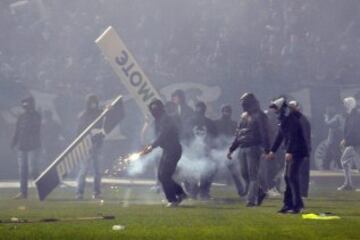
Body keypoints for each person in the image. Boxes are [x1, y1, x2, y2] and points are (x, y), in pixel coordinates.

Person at [267, 97, 309, 214]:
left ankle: (297, 205)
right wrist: (272, 151)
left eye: (275, 108)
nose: (274, 111)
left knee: (291, 177)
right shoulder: (285, 119)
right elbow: (279, 137)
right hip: (292, 151)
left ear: (281, 108)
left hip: (297, 151)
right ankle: (288, 204)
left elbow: (292, 136)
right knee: (288, 177)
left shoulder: (291, 120)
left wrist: (289, 151)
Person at [227, 93, 270, 207]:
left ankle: (251, 200)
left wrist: (267, 149)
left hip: (254, 147)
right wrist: (232, 149)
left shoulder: (260, 116)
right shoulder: (243, 117)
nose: (242, 104)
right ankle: (260, 191)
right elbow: (239, 135)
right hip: (243, 147)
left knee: (252, 175)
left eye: (244, 102)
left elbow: (265, 133)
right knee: (244, 174)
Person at [142, 99, 187, 207]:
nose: (154, 111)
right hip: (168, 150)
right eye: (152, 109)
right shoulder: (158, 120)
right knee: (162, 176)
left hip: (173, 149)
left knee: (164, 175)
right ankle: (180, 193)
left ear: (161, 108)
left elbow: (163, 135)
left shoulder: (166, 119)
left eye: (156, 108)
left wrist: (152, 146)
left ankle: (173, 200)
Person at [185, 101, 218, 199]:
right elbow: (215, 137)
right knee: (207, 170)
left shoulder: (189, 121)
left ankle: (193, 191)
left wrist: (187, 147)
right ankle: (203, 192)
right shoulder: (209, 122)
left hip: (195, 150)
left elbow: (184, 135)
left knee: (191, 170)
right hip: (203, 150)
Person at [11, 96, 42, 199]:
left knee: (33, 170)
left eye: (27, 103)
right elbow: (17, 130)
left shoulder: (36, 115)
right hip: (21, 147)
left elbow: (35, 128)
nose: (25, 105)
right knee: (22, 170)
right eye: (24, 103)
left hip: (33, 146)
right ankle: (23, 193)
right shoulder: (21, 116)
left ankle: (40, 190)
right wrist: (14, 142)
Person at [76, 94, 104, 200]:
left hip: (97, 146)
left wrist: (98, 141)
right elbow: (79, 132)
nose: (93, 104)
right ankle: (79, 193)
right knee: (83, 170)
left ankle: (96, 192)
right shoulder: (83, 116)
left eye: (95, 102)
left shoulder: (100, 114)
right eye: (91, 102)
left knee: (97, 171)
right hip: (86, 146)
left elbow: (102, 129)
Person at [214, 104, 246, 196]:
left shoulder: (233, 124)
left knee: (234, 172)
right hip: (219, 150)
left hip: (229, 150)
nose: (226, 113)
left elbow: (236, 136)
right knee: (212, 171)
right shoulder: (217, 123)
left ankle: (241, 190)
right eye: (225, 111)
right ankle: (204, 191)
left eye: (228, 111)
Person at [288, 100, 312, 198]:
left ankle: (301, 193)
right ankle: (300, 193)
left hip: (300, 149)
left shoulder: (301, 120)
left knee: (301, 172)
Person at [337, 97, 360, 191]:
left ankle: (348, 184)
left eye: (345, 104)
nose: (344, 105)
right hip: (353, 142)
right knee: (345, 161)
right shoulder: (351, 114)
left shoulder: (356, 114)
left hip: (356, 142)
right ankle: (348, 184)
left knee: (349, 162)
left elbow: (354, 129)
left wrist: (346, 139)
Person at [323, 105, 344, 169]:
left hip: (334, 139)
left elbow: (329, 124)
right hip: (334, 139)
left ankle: (341, 167)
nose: (327, 110)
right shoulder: (340, 117)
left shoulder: (337, 117)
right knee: (329, 154)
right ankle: (325, 167)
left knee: (336, 154)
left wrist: (326, 118)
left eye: (329, 108)